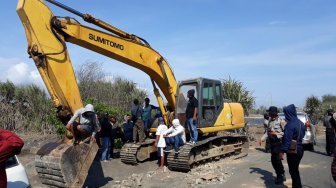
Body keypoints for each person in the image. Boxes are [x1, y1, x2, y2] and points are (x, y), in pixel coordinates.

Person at [280, 104, 305, 188]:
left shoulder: (289, 125)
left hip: (293, 151)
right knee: (295, 170)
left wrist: (282, 151)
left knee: (293, 172)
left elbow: (287, 140)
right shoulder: (301, 123)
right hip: (300, 149)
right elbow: (303, 134)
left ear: (288, 113)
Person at [266, 106, 286, 185]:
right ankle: (281, 172)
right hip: (272, 143)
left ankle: (280, 176)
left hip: (279, 143)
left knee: (277, 160)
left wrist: (276, 134)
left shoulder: (281, 121)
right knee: (274, 161)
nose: (269, 114)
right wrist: (262, 139)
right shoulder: (270, 121)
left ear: (274, 114)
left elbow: (285, 133)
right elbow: (267, 132)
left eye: (270, 113)